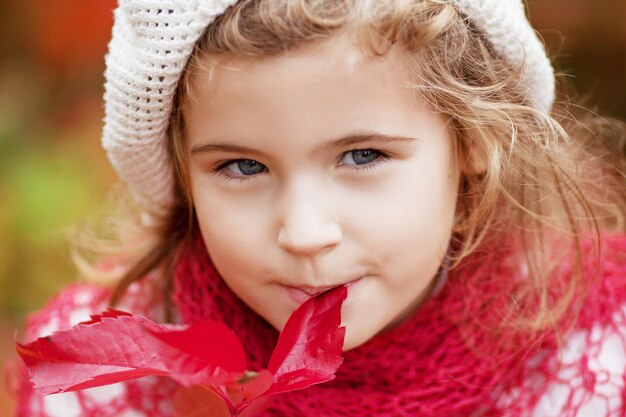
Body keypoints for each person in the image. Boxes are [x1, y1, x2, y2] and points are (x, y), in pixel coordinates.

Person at [8, 0, 626, 416]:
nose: (304, 234)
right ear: (183, 179)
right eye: (242, 167)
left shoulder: (590, 363)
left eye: (361, 156)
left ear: (472, 142)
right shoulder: (108, 390)